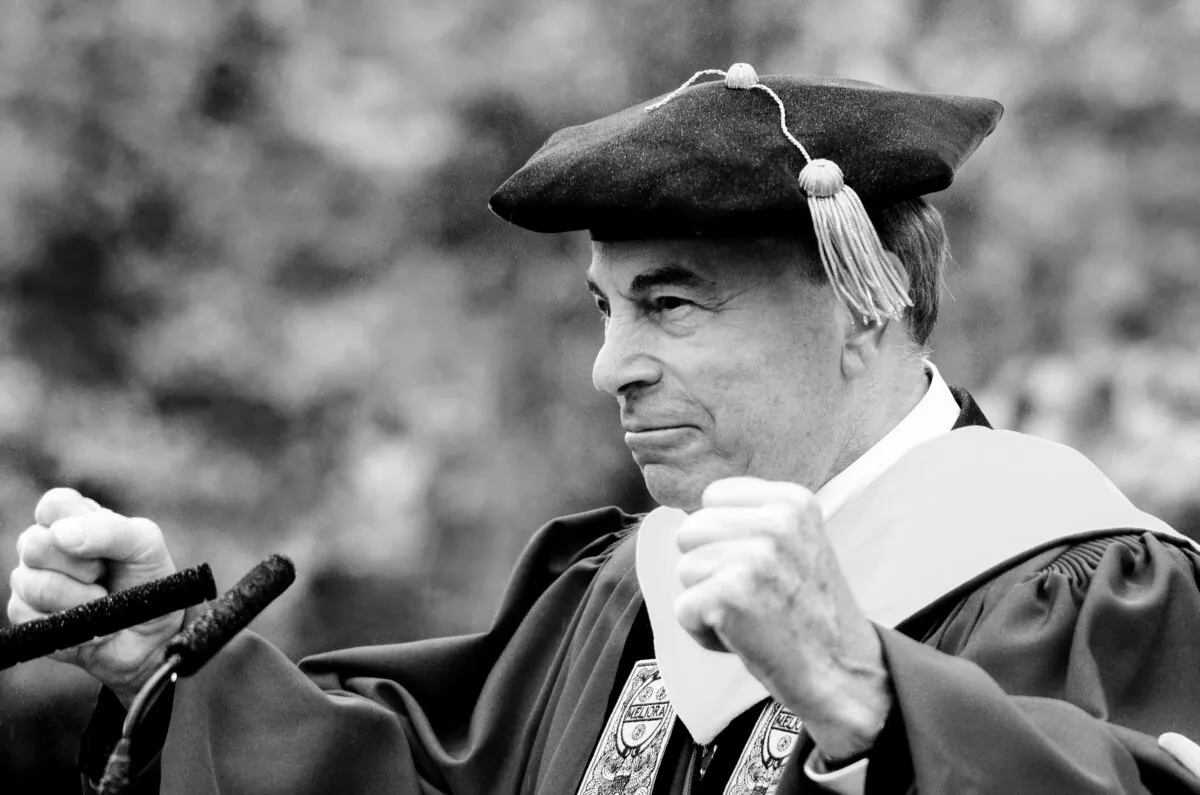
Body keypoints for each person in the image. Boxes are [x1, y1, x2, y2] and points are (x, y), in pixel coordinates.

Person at [8, 63, 1200, 795]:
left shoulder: (1088, 580)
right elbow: (413, 780)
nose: (608, 367)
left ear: (858, 298)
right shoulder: (620, 591)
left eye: (669, 304)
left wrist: (876, 705)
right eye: (605, 310)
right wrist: (167, 658)